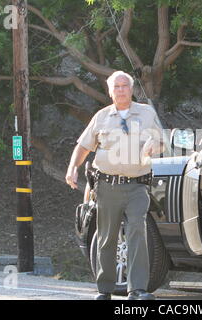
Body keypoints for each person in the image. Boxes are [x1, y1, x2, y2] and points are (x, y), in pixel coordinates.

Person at [65, 70, 165, 300]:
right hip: (107, 186)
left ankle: (138, 289)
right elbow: (83, 146)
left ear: (132, 89)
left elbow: (161, 142)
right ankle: (105, 290)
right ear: (110, 92)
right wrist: (73, 168)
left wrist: (154, 147)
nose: (121, 90)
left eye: (125, 86)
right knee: (107, 237)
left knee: (137, 232)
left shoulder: (147, 113)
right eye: (116, 87)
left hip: (137, 186)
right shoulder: (101, 117)